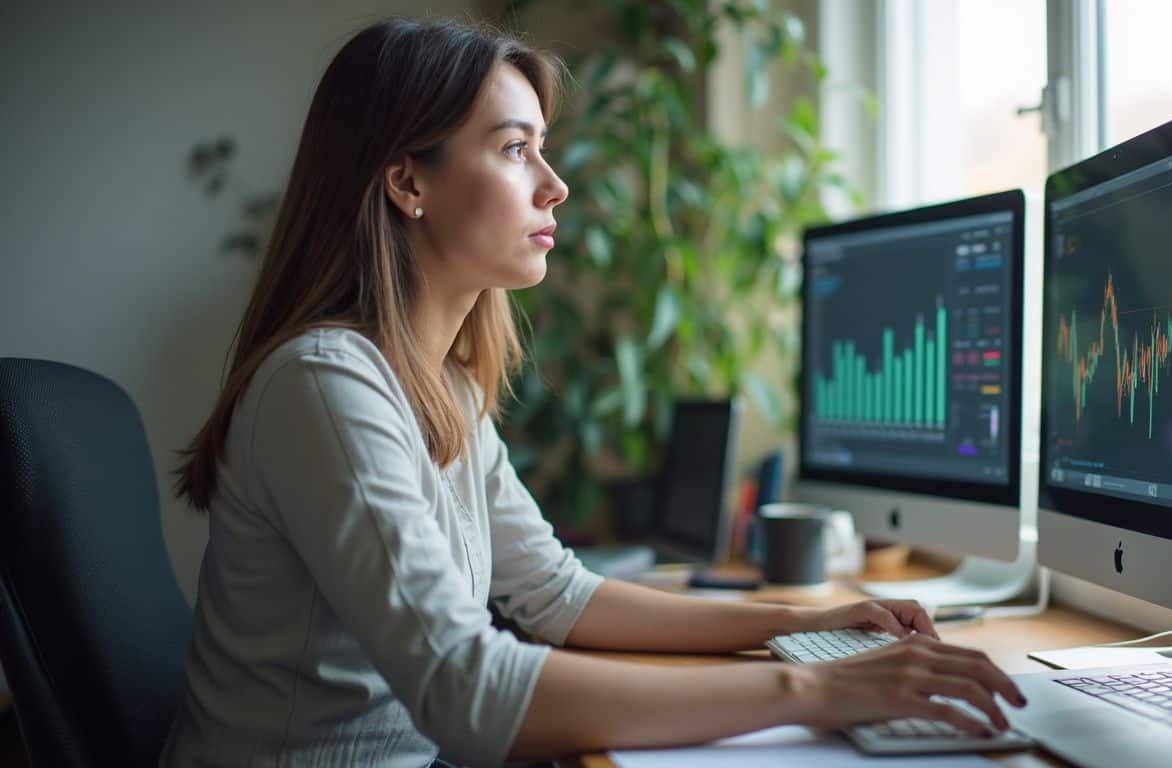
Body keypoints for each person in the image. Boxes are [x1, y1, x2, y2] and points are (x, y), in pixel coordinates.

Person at [161, 17, 1026, 768]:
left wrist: (804, 623)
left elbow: (557, 595)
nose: (555, 184)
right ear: (408, 183)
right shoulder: (325, 386)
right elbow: (464, 688)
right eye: (515, 149)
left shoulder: (442, 386)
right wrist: (816, 690)